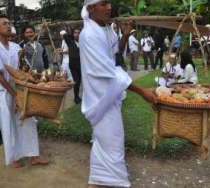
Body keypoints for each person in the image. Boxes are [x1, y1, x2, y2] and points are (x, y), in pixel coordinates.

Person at [80, 1, 155, 187]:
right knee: (113, 143)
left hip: (110, 96)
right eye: (103, 3)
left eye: (109, 3)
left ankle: (97, 180)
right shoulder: (88, 34)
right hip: (100, 98)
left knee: (103, 142)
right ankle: (117, 182)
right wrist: (142, 92)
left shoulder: (106, 29)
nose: (109, 7)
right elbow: (109, 71)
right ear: (91, 8)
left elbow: (115, 56)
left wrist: (126, 34)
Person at [0, 15, 48, 168]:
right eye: (4, 24)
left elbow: (23, 70)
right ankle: (14, 157)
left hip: (20, 90)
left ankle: (34, 155)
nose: (8, 26)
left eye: (9, 23)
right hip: (4, 93)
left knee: (28, 121)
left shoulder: (16, 47)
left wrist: (22, 61)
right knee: (8, 124)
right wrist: (14, 95)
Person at [64, 28, 82, 104]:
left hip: (81, 65)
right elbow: (64, 35)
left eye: (78, 33)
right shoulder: (70, 42)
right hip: (73, 66)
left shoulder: (83, 42)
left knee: (81, 81)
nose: (77, 34)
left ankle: (83, 96)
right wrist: (72, 35)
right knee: (77, 81)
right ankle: (76, 97)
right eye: (75, 33)